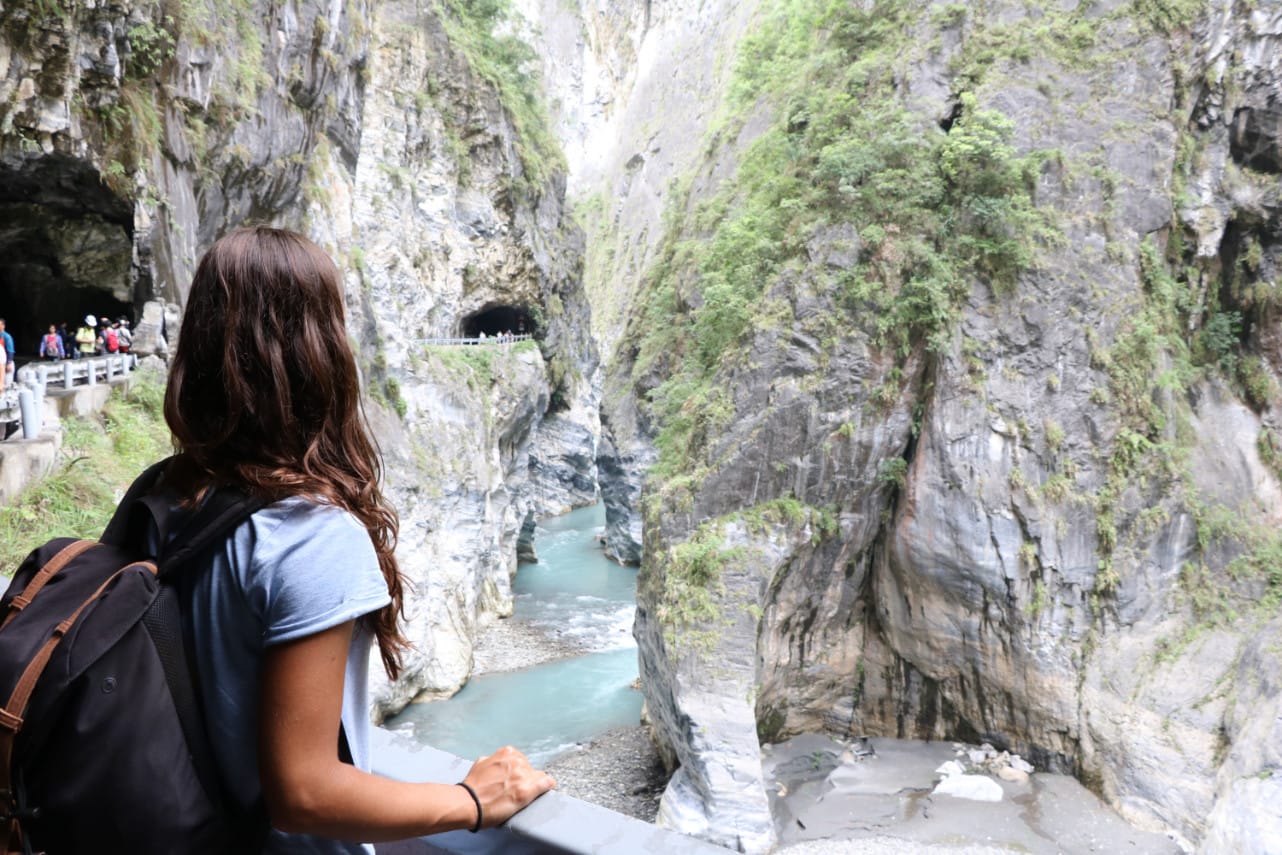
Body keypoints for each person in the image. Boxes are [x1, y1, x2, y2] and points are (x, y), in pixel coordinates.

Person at [157, 226, 554, 853]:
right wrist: (473, 800)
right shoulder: (307, 536)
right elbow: (304, 791)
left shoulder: (170, 496)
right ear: (320, 353)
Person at [0, 318, 14, 385]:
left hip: (6, 363)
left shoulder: (7, 337)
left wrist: (9, 363)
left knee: (6, 384)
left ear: (3, 326)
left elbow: (10, 351)